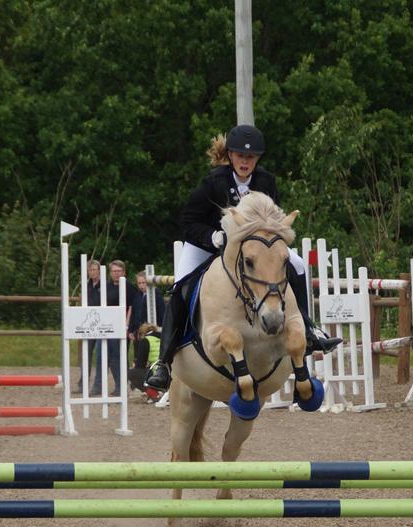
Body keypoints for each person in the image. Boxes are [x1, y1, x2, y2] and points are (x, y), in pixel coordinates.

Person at [143, 124, 340, 392]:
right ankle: (163, 363)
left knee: (297, 264)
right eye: (240, 156)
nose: (245, 162)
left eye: (251, 157)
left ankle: (308, 329)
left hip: (254, 249)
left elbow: (273, 220)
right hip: (208, 244)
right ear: (231, 156)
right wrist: (213, 237)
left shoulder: (266, 182)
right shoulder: (214, 182)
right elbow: (188, 220)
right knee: (181, 286)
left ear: (257, 159)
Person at [89, 259, 134, 395]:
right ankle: (98, 386)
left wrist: (126, 325)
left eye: (119, 271)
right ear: (110, 273)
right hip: (106, 326)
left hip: (121, 327)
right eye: (114, 271)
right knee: (100, 356)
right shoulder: (106, 286)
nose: (116, 274)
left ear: (124, 272)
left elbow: (131, 307)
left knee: (117, 358)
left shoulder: (128, 287)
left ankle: (121, 387)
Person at [127, 270, 164, 381]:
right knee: (138, 358)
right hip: (138, 332)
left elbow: (162, 313)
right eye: (139, 283)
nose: (142, 285)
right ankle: (142, 382)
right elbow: (134, 314)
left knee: (150, 358)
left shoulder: (156, 295)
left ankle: (152, 382)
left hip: (151, 333)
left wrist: (158, 330)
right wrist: (131, 330)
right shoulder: (137, 296)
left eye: (144, 283)